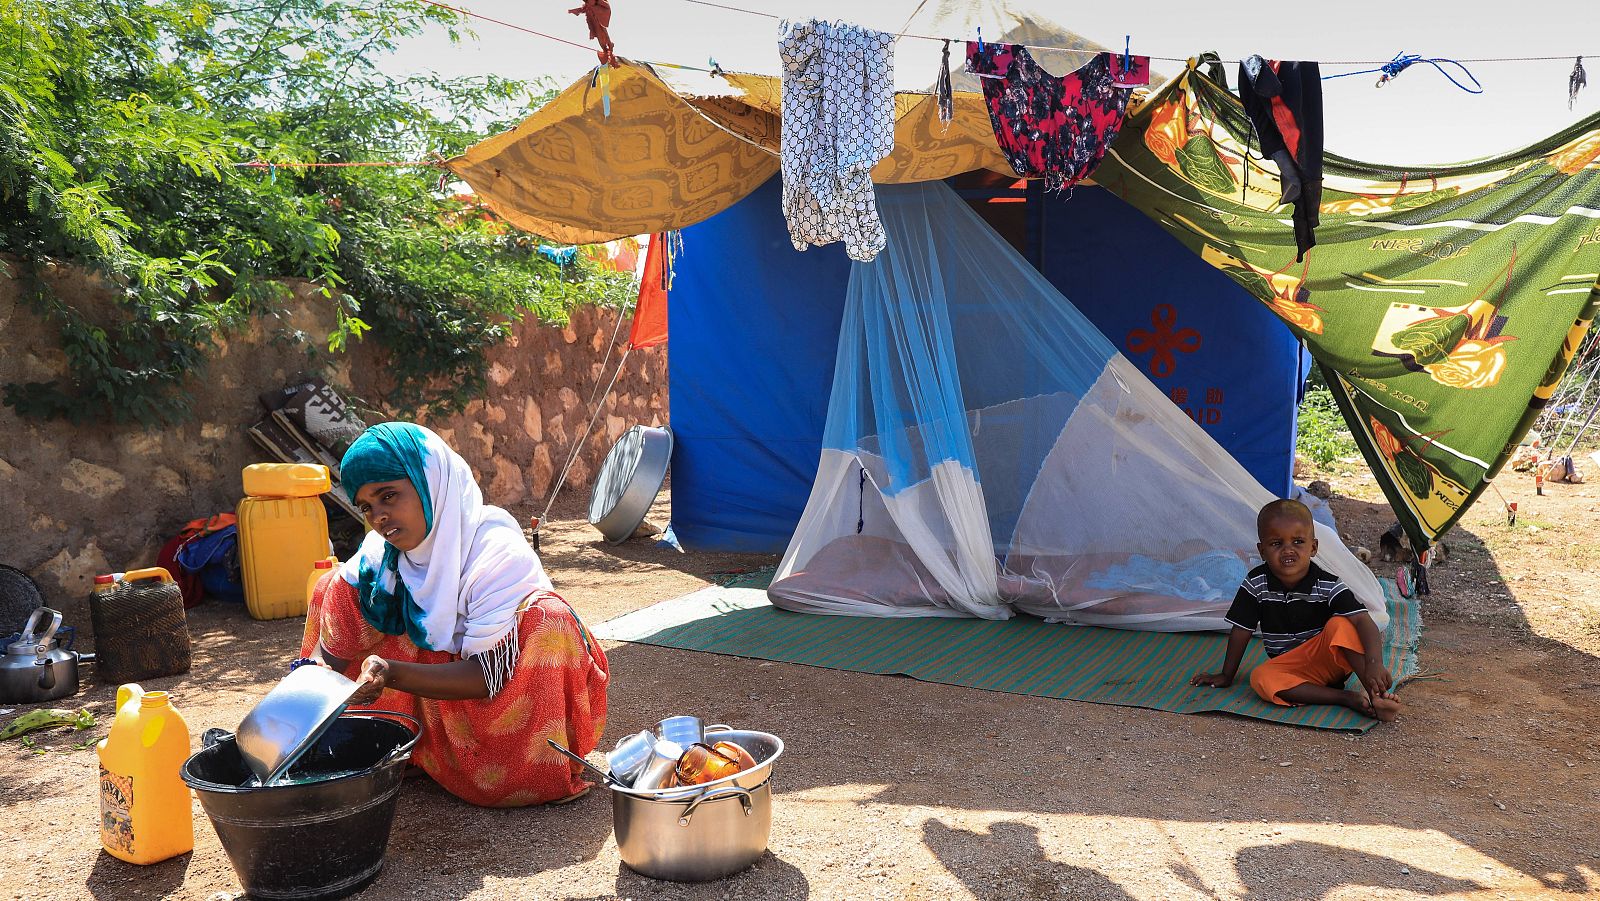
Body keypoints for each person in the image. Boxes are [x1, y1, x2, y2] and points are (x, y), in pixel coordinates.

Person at [298, 422, 609, 806]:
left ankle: (534, 773)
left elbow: (486, 675)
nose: (378, 516)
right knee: (334, 586)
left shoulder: (494, 552)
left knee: (550, 620)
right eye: (367, 507)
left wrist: (390, 674)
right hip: (434, 712)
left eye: (389, 496)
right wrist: (311, 684)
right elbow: (327, 656)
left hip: (496, 720)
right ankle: (406, 748)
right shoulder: (381, 559)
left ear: (430, 483)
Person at [1190, 498, 1399, 721]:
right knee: (1261, 677)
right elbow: (1242, 630)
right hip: (1288, 667)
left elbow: (1363, 621)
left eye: (1298, 541)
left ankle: (1376, 696)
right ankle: (1344, 698)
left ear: (1314, 547)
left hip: (1328, 662)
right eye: (1276, 544)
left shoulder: (1328, 584)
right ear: (1262, 551)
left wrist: (1374, 663)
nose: (1288, 550)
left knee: (1341, 624)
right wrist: (1226, 675)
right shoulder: (1256, 583)